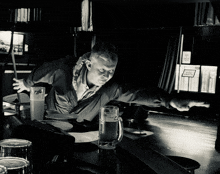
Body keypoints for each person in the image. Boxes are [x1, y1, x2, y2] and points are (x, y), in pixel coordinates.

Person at [13, 41, 210, 123]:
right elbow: (39, 73)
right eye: (102, 70)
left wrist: (170, 101)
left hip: (83, 134)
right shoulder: (61, 70)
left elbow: (137, 93)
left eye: (111, 71)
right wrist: (26, 83)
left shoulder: (111, 88)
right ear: (89, 64)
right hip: (51, 125)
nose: (107, 75)